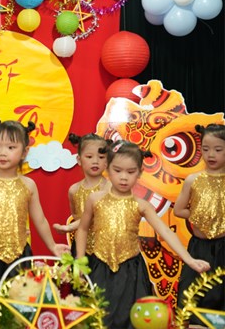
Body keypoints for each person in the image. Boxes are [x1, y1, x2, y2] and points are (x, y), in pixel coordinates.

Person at [76, 140, 211, 329]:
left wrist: (189, 260)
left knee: (132, 319)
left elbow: (165, 231)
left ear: (140, 173)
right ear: (107, 168)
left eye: (131, 172)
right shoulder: (95, 199)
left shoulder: (141, 205)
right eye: (117, 170)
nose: (124, 177)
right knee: (98, 318)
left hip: (131, 271)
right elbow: (82, 229)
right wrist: (80, 262)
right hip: (99, 266)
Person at [0, 117, 70, 329]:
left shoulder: (28, 185)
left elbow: (39, 219)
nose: (3, 153)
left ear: (24, 152)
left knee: (20, 302)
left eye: (11, 147)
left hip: (20, 253)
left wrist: (52, 246)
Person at [174, 124, 225, 316]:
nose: (211, 154)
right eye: (206, 149)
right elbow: (179, 210)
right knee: (192, 295)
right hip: (199, 247)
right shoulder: (193, 180)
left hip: (223, 246)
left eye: (218, 150)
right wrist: (200, 214)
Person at [53, 133, 110, 254]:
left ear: (107, 161)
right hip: (81, 247)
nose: (95, 161)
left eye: (101, 157)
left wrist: (70, 227)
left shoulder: (109, 187)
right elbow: (76, 215)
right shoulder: (74, 190)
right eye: (89, 157)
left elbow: (96, 215)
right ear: (79, 160)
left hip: (105, 248)